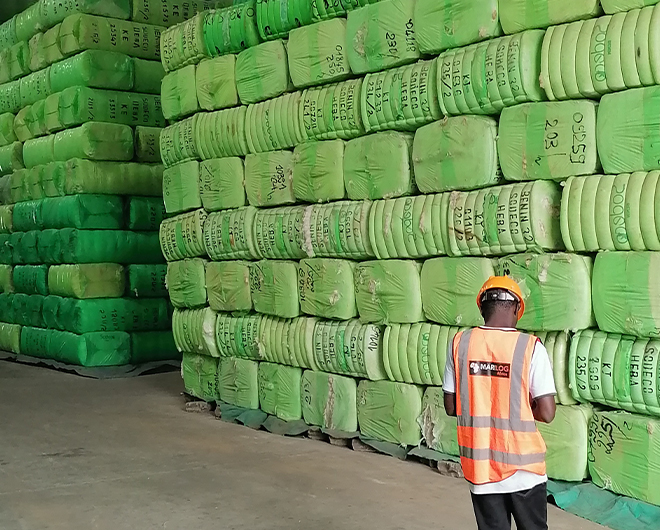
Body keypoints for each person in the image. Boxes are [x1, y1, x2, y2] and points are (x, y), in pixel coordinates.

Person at [443, 276, 556, 530]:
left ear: (482, 308)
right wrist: (524, 406)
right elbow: (548, 413)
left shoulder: (460, 344)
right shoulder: (530, 347)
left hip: (482, 470)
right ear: (516, 308)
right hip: (525, 471)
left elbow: (451, 407)